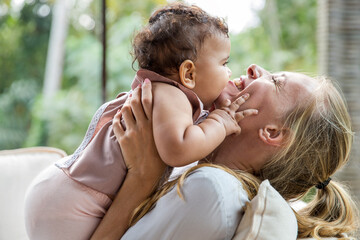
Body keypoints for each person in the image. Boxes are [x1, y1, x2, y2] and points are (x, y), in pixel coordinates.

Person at [24, 3, 258, 240]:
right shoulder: (172, 95)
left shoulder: (159, 92)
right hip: (76, 203)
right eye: (224, 64)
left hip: (64, 190)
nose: (229, 73)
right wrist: (220, 122)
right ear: (188, 74)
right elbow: (179, 148)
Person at [91, 64, 359, 239]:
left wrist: (142, 176)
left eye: (275, 81)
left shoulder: (211, 190)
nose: (256, 69)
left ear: (273, 133)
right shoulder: (187, 155)